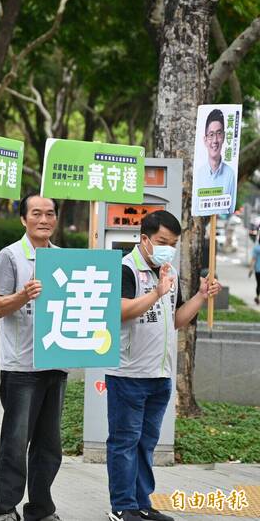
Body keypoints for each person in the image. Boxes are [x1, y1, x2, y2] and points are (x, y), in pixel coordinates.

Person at [106, 210, 221, 521]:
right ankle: (121, 505)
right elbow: (120, 311)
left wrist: (199, 296)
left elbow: (176, 320)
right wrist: (157, 292)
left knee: (146, 443)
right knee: (124, 442)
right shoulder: (125, 268)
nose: (167, 248)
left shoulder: (168, 270)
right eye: (161, 242)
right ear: (145, 239)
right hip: (129, 373)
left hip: (160, 374)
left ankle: (142, 503)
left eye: (173, 243)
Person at [0, 193, 65, 521]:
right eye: (37, 213)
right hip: (22, 366)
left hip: (57, 361)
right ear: (24, 219)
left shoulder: (63, 258)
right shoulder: (10, 256)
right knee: (16, 442)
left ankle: (40, 509)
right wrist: (23, 295)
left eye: (50, 214)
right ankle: (5, 508)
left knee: (49, 445)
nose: (44, 220)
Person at [194, 108, 236, 215]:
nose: (215, 141)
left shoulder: (230, 174)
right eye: (211, 135)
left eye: (219, 133)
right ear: (205, 139)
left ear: (224, 136)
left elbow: (230, 210)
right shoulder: (198, 174)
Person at [249, 234, 260, 305]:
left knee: (258, 284)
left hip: (258, 270)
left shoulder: (256, 248)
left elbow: (253, 259)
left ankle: (257, 296)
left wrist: (250, 270)